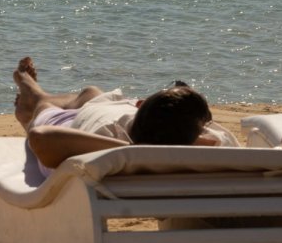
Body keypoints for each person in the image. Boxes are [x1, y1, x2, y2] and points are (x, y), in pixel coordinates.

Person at [13, 57, 237, 174]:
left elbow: (41, 137)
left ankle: (29, 91)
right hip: (103, 112)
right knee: (90, 92)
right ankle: (41, 95)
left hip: (68, 127)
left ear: (140, 105)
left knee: (43, 104)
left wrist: (135, 152)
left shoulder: (117, 152)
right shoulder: (215, 148)